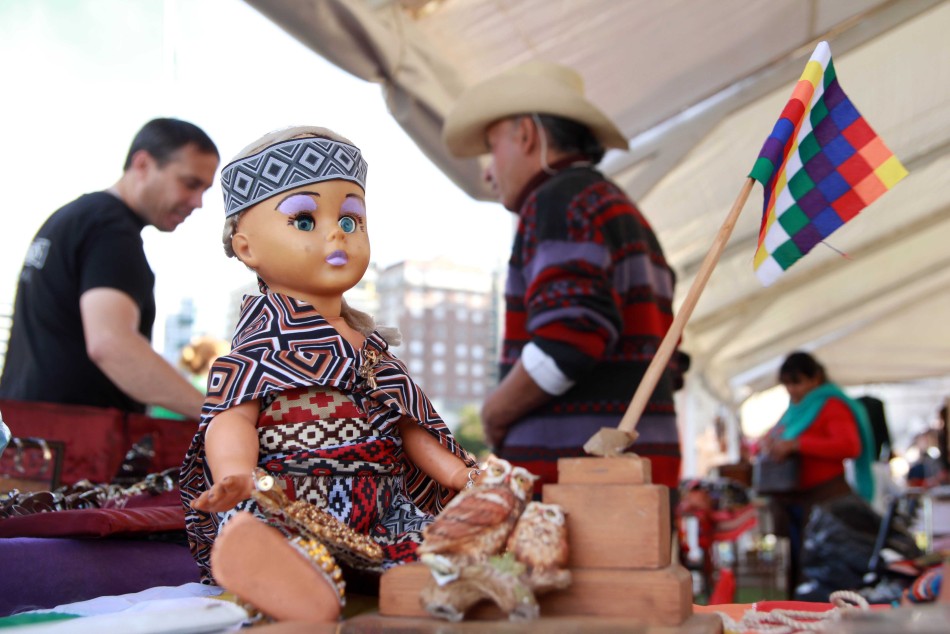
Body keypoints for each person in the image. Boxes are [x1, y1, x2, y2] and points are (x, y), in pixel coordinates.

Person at [180, 126, 479, 622]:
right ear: (247, 247)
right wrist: (235, 472)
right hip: (290, 499)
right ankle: (291, 580)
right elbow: (229, 420)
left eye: (350, 219)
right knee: (269, 531)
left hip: (382, 507)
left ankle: (400, 576)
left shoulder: (372, 350)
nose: (336, 233)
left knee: (441, 544)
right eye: (304, 220)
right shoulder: (256, 350)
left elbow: (410, 427)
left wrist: (458, 475)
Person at [441, 61, 683, 491]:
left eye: (492, 148)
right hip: (640, 481)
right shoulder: (623, 212)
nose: (488, 172)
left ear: (526, 135)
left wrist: (494, 413)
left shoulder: (558, 201)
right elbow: (671, 361)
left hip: (579, 487)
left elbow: (570, 336)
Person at [0, 118, 219, 420]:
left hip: (24, 428)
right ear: (142, 164)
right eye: (190, 184)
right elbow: (112, 344)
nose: (198, 202)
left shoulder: (73, 218)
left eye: (205, 189)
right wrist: (215, 413)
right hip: (72, 435)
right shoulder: (110, 229)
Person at [759, 351, 875, 594]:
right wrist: (769, 444)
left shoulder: (832, 406)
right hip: (797, 502)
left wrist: (798, 444)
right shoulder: (794, 410)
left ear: (816, 379)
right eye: (787, 384)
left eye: (797, 382)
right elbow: (775, 434)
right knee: (801, 566)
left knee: (824, 569)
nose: (792, 390)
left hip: (827, 499)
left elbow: (850, 446)